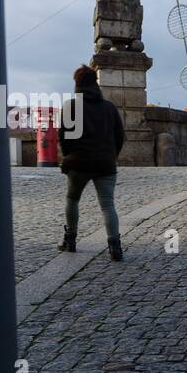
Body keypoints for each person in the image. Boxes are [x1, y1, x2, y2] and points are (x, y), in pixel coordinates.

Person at [59, 65, 125, 261]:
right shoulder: (109, 108)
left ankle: (70, 240)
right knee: (107, 205)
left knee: (72, 200)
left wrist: (69, 158)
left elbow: (64, 138)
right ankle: (115, 247)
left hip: (79, 163)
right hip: (105, 164)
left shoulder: (72, 106)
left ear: (77, 84)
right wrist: (111, 156)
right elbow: (120, 137)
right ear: (95, 83)